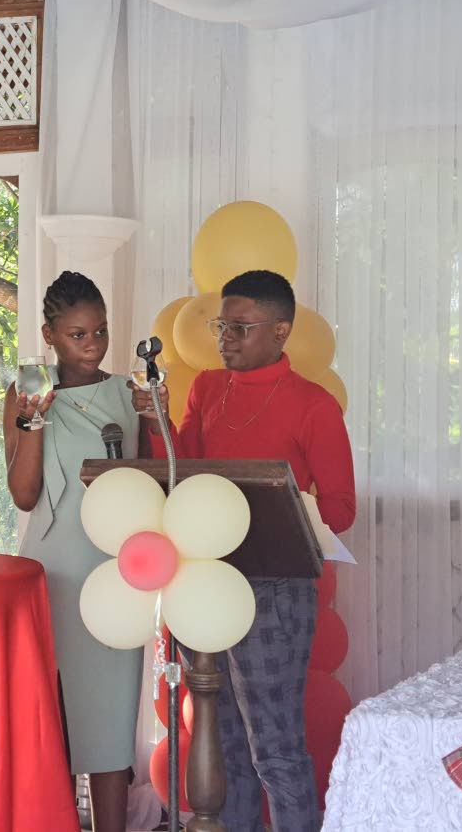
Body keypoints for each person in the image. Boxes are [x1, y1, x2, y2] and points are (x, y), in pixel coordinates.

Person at [130, 269, 356, 832]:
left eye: (240, 327)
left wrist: (272, 508)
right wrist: (157, 420)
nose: (225, 338)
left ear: (281, 331)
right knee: (226, 747)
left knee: (274, 751)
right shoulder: (207, 388)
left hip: (274, 590)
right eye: (221, 326)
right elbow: (183, 468)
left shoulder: (314, 405)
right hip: (204, 583)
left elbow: (341, 508)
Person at [4, 271, 149, 832]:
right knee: (55, 719)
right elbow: (24, 494)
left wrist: (155, 413)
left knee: (112, 720)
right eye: (78, 335)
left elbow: (156, 478)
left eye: (101, 332)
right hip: (55, 570)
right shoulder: (25, 390)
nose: (93, 345)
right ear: (50, 335)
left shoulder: (128, 392)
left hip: (117, 569)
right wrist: (35, 417)